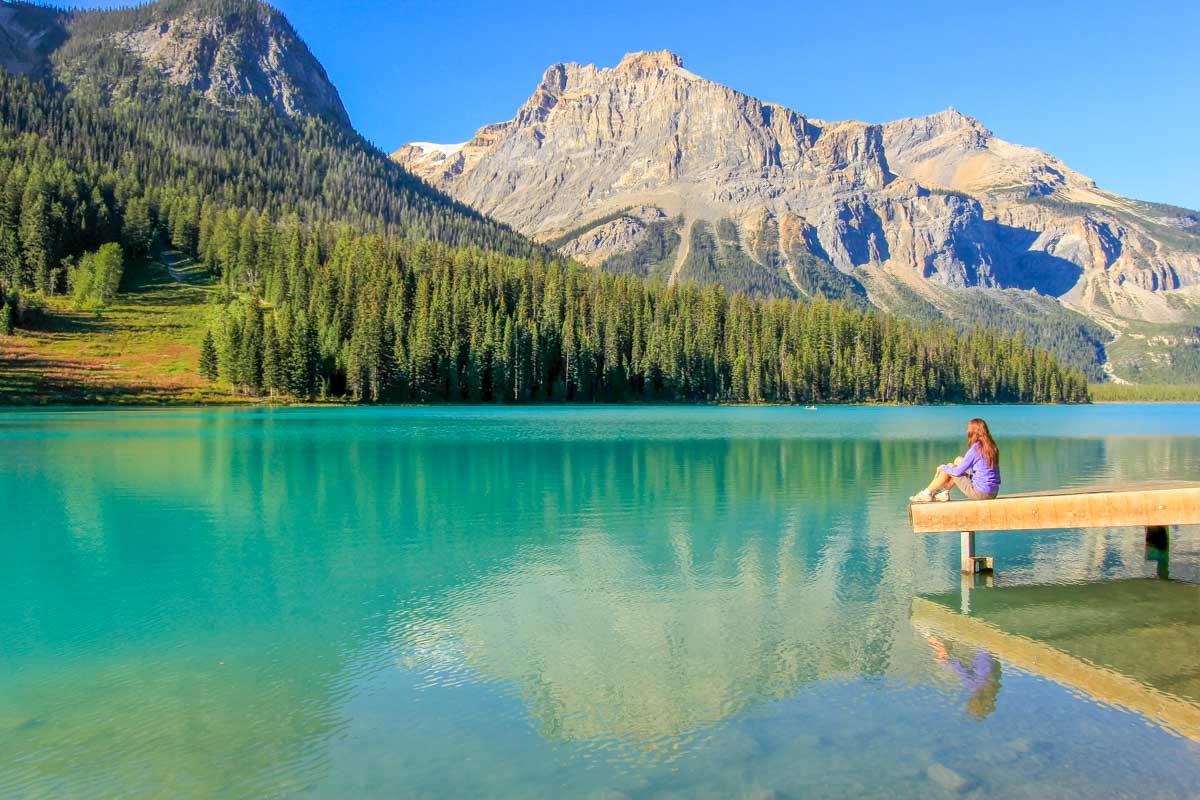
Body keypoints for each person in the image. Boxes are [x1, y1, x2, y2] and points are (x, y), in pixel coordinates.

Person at [910, 418, 1000, 503]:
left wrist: (943, 467)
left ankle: (926, 493)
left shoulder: (976, 449)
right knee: (958, 460)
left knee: (949, 467)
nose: (966, 431)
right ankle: (944, 493)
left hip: (980, 493)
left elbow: (957, 472)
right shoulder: (992, 447)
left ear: (973, 432)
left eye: (968, 429)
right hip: (993, 492)